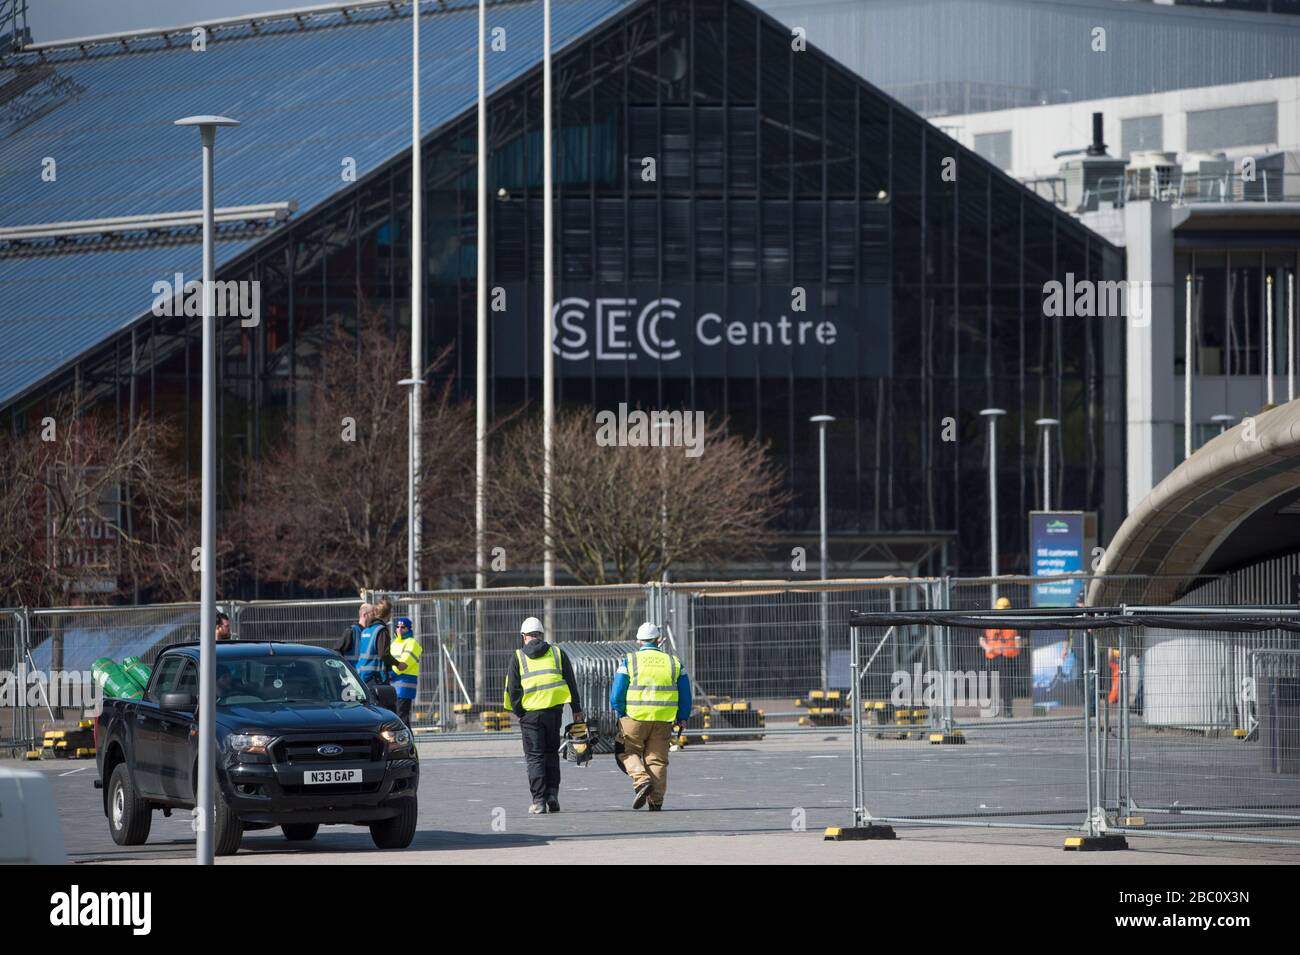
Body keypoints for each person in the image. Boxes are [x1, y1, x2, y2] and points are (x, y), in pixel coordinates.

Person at [504, 616, 585, 814]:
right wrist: (576, 710)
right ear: (541, 635)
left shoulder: (518, 656)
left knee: (534, 757)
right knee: (551, 754)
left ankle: (539, 800)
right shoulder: (557, 653)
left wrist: (519, 712)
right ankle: (552, 795)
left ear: (524, 636)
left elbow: (513, 689)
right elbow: (571, 682)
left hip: (530, 715)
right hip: (553, 713)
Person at [609, 622, 692, 811]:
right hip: (663, 719)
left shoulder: (630, 661)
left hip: (634, 718)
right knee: (656, 759)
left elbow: (617, 693)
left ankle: (641, 780)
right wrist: (682, 717)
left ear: (638, 641)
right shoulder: (674, 663)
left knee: (626, 751)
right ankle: (656, 802)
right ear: (659, 640)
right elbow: (685, 694)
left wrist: (621, 712)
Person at [979, 596, 1020, 718]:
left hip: (1008, 657)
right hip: (993, 657)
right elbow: (982, 639)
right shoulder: (990, 621)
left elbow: (1017, 639)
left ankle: (1007, 711)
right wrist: (987, 647)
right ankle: (994, 710)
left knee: (1007, 685)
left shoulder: (1013, 622)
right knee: (994, 684)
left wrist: (1017, 648)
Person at [354, 599, 399, 686]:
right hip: (376, 678)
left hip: (361, 674)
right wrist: (398, 664)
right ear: (388, 614)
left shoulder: (366, 631)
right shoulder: (381, 631)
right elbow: (383, 654)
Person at [389, 616, 421, 725]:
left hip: (404, 687)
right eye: (397, 626)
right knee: (397, 719)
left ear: (409, 629)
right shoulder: (394, 643)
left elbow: (405, 662)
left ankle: (406, 741)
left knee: (402, 719)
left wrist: (390, 674)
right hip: (392, 686)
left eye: (403, 627)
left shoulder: (412, 643)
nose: (399, 629)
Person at [337, 602, 371, 669]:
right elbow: (337, 651)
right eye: (372, 614)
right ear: (365, 615)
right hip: (351, 676)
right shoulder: (351, 631)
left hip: (364, 676)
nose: (374, 618)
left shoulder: (370, 632)